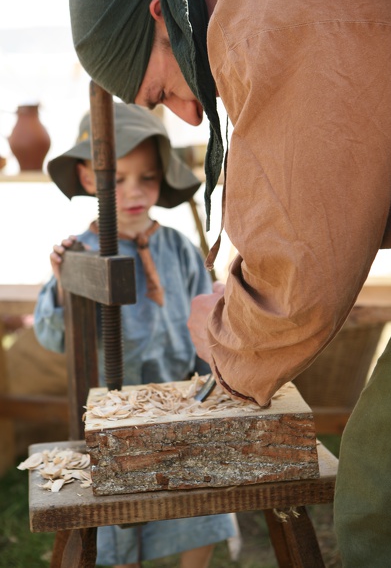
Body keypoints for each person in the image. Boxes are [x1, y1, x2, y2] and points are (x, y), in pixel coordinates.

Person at [68, 0, 391, 566]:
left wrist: (225, 338)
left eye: (163, 90)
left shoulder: (269, 7)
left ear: (162, 14)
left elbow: (303, 268)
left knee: (383, 495)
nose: (190, 116)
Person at [34, 101, 238, 568]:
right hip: (109, 410)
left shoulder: (179, 249)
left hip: (177, 403)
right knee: (118, 523)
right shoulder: (80, 254)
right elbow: (52, 336)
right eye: (118, 177)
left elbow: (206, 324)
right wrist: (65, 286)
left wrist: (215, 383)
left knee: (199, 501)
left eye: (146, 177)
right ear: (89, 179)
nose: (134, 191)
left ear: (161, 178)